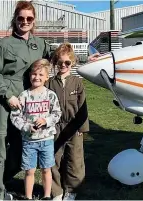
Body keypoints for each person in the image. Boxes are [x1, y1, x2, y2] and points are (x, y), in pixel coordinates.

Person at [0, 1, 51, 200]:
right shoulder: (3, 45)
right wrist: (7, 95)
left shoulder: (40, 44)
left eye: (29, 18)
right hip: (2, 103)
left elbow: (56, 58)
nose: (25, 22)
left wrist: (90, 57)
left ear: (34, 21)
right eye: (21, 18)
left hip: (27, 106)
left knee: (22, 148)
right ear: (15, 19)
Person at [10, 59, 62, 200]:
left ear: (46, 77)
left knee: (46, 169)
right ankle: (28, 197)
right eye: (34, 74)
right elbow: (15, 116)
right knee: (29, 171)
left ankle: (46, 196)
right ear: (29, 76)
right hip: (29, 141)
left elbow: (57, 113)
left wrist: (46, 121)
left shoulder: (50, 95)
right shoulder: (24, 96)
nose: (37, 77)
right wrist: (27, 127)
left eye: (40, 75)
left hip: (47, 140)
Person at [46, 43, 89, 200]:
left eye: (67, 63)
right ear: (55, 63)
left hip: (73, 127)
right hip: (54, 126)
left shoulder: (77, 83)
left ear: (73, 63)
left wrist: (81, 127)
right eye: (59, 63)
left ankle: (71, 190)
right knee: (53, 158)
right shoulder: (49, 83)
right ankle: (56, 191)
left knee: (74, 159)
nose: (63, 66)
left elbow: (82, 106)